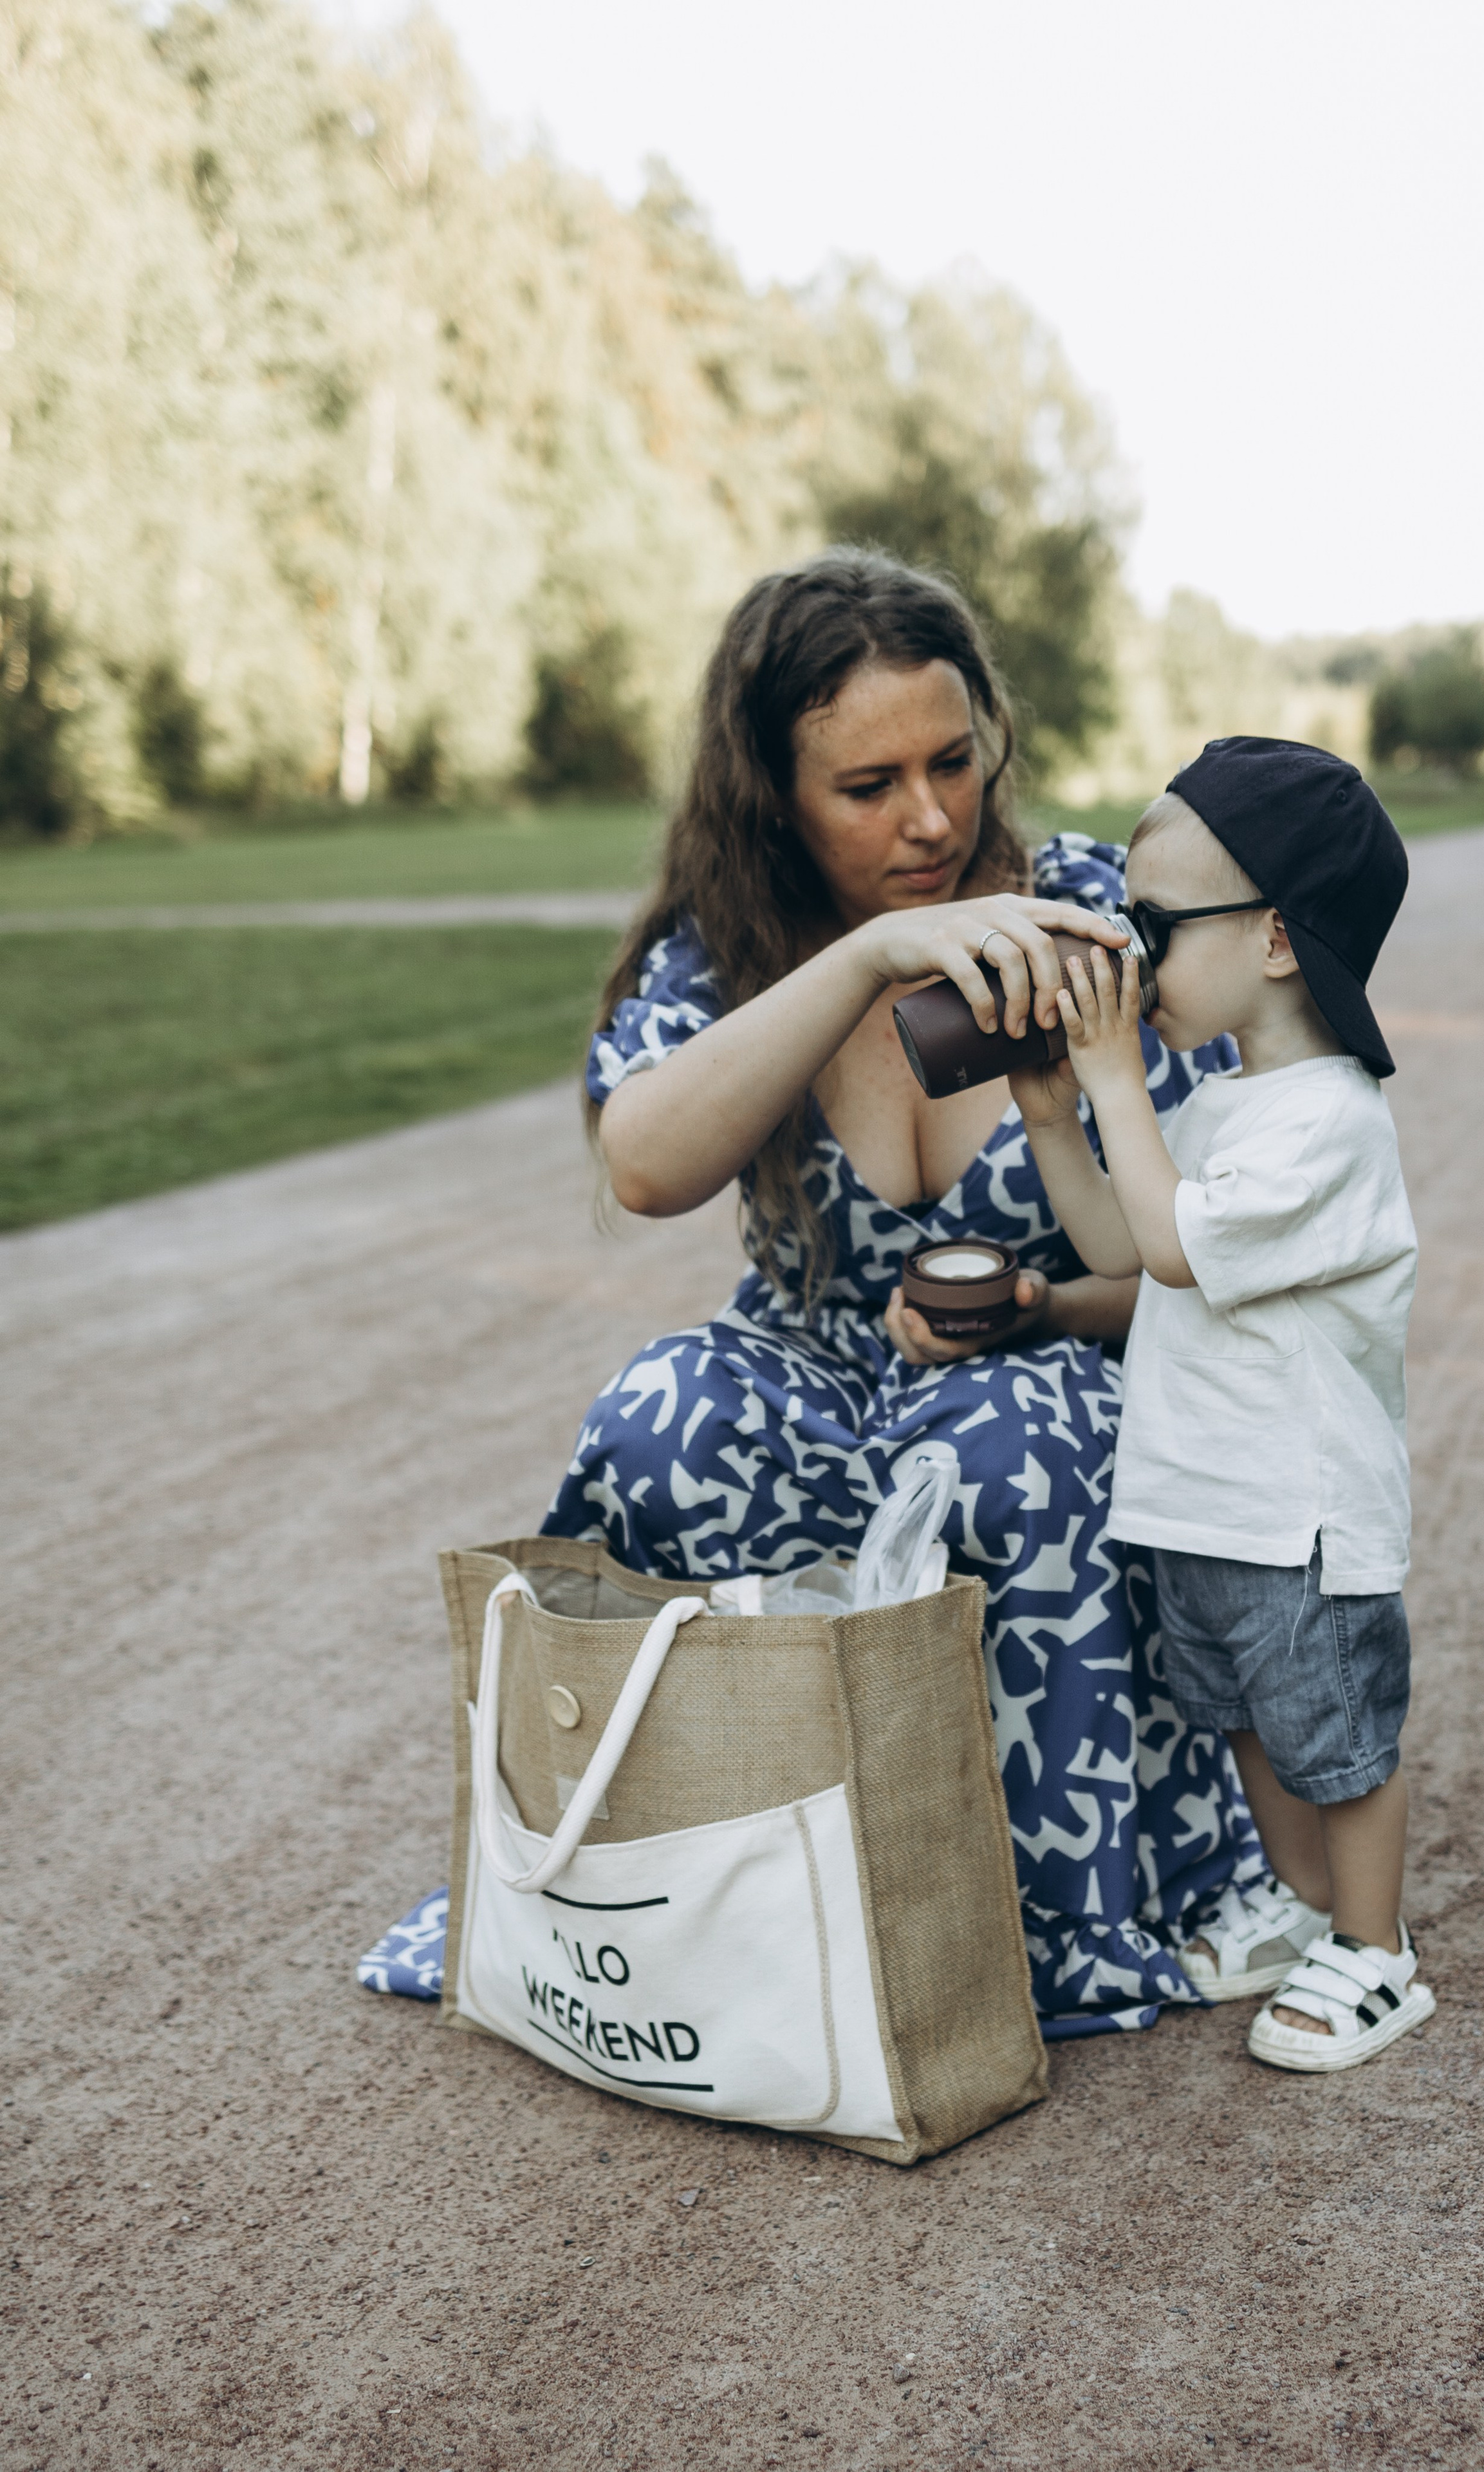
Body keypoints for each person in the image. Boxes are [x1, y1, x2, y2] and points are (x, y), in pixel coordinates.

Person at [540, 548, 1274, 2035]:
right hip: (816, 1368)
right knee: (664, 1414)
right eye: (866, 786)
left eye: (951, 761)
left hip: (1072, 1356)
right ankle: (730, 1874)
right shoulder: (727, 953)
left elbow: (1232, 1268)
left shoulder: (1094, 915)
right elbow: (642, 1166)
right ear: (771, 795)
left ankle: (1053, 1924)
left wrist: (1041, 1308)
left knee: (1011, 1436)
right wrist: (870, 951)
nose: (930, 817)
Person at [1012, 736, 1434, 2069]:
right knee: (1246, 1722)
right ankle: (1305, 1909)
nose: (1126, 958)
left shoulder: (1327, 1124)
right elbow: (1123, 1245)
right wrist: (1048, 1114)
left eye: (1149, 926)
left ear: (1271, 941)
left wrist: (1114, 1080)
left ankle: (1376, 1952)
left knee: (1336, 1746)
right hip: (1201, 1505)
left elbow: (1184, 1247)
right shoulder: (1220, 1107)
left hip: (1297, 1514)